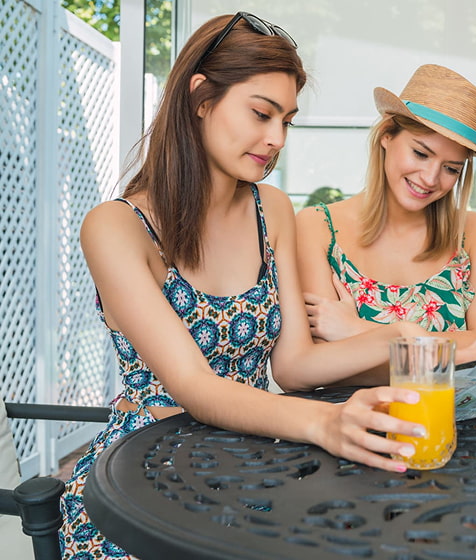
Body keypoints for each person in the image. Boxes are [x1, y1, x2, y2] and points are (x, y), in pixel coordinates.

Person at [61, 13, 426, 559]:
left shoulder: (272, 208)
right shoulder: (115, 228)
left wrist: (393, 335)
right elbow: (196, 387)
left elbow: (292, 365)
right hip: (143, 476)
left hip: (252, 460)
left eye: (287, 121)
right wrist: (327, 421)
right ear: (201, 97)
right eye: (261, 114)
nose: (276, 139)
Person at [295, 64, 476, 372]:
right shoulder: (317, 227)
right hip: (353, 417)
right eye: (421, 153)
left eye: (451, 168)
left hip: (454, 418)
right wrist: (456, 351)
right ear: (386, 135)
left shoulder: (473, 233)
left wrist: (358, 332)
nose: (431, 178)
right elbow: (319, 366)